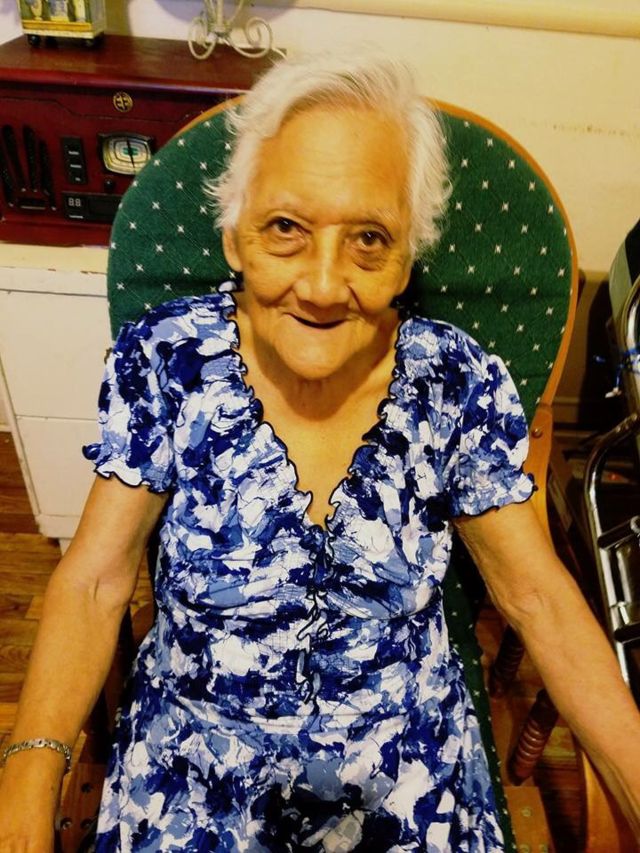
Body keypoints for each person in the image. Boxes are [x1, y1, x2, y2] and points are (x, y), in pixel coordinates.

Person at [0, 51, 639, 852]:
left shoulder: (453, 380)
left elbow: (537, 597)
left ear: (406, 257)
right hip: (194, 768)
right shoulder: (167, 360)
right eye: (286, 230)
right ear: (234, 236)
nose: (324, 285)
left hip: (405, 770)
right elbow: (95, 581)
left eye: (369, 238)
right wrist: (29, 774)